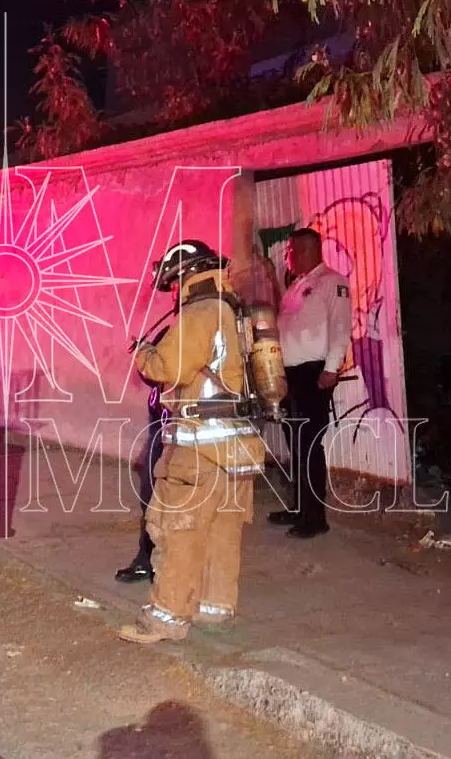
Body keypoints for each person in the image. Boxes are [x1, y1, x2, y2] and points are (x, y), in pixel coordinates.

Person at [117, 240, 266, 643]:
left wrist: (144, 354)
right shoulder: (234, 311)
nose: (172, 291)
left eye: (172, 282)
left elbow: (169, 367)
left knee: (178, 530)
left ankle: (165, 618)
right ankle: (215, 608)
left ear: (183, 275)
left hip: (199, 448)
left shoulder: (201, 312)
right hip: (238, 449)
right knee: (222, 530)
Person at [270, 227, 352, 539]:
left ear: (306, 250)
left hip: (313, 373)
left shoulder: (332, 282)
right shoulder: (300, 285)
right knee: (295, 444)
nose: (287, 256)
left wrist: (331, 369)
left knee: (308, 446)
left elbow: (341, 326)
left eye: (290, 251)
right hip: (291, 374)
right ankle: (298, 507)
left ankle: (315, 517)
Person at [114, 359, 170, 583]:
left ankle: (164, 566)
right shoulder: (174, 332)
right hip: (162, 426)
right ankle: (147, 560)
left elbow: (171, 366)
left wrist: (148, 354)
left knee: (172, 502)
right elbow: (152, 373)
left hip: (183, 430)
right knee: (150, 498)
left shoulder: (199, 330)